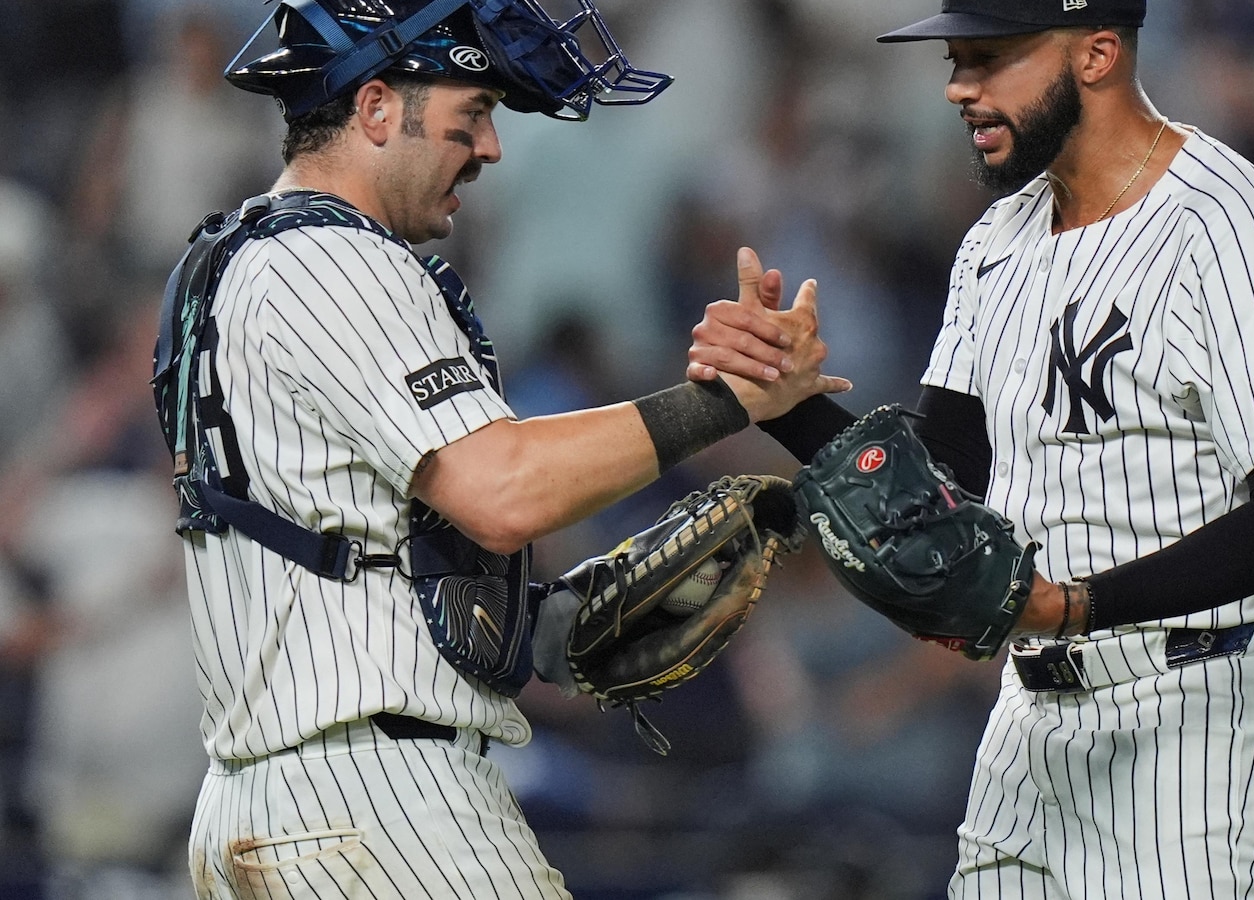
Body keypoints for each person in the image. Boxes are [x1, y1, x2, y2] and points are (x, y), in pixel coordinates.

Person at [155, 1, 846, 896]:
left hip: (273, 804)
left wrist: (529, 623)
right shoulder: (334, 255)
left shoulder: (226, 263)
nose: (490, 149)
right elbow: (504, 489)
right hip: (378, 808)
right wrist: (728, 402)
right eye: (470, 114)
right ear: (374, 108)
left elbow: (360, 541)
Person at [690, 0, 1254, 896]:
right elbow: (942, 479)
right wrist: (788, 407)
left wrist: (1070, 606)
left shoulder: (1234, 230)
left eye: (991, 58)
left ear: (1099, 53)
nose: (960, 87)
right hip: (1035, 709)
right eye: (958, 60)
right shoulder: (996, 240)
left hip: (1207, 705)